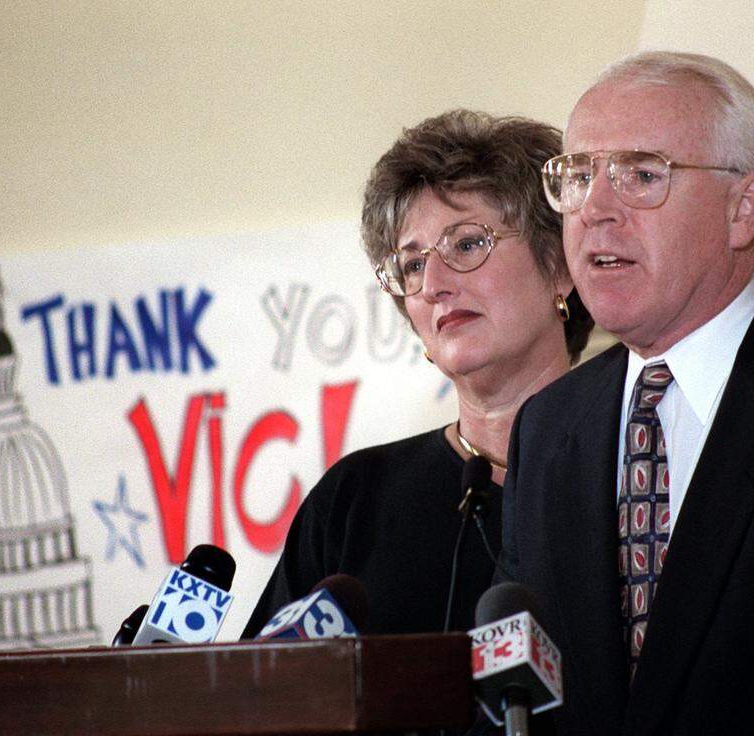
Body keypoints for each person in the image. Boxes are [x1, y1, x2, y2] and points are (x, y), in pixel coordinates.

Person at [499, 52, 754, 734]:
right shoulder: (547, 427)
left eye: (640, 174)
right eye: (577, 175)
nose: (595, 209)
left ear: (743, 209)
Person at [241, 110, 593, 638]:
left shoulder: (634, 471)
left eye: (468, 244)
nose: (432, 283)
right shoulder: (353, 501)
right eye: (411, 264)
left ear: (561, 265)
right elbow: (262, 698)